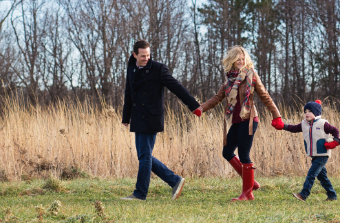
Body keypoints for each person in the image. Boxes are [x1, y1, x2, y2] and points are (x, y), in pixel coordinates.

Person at [198, 45, 284, 201]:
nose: (241, 61)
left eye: (243, 58)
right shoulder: (228, 80)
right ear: (232, 60)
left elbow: (265, 96)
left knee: (244, 154)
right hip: (236, 121)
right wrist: (201, 108)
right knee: (227, 152)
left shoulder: (252, 75)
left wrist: (276, 116)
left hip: (249, 120)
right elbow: (217, 99)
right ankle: (251, 183)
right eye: (238, 58)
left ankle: (248, 193)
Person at [121, 40, 203, 201]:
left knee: (144, 156)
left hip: (151, 117)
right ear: (134, 55)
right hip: (138, 117)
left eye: (148, 55)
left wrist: (194, 106)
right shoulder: (131, 68)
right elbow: (128, 94)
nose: (146, 58)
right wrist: (126, 116)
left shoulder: (158, 69)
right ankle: (175, 180)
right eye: (143, 56)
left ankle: (140, 194)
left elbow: (176, 87)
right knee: (145, 156)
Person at [281, 99, 340, 202]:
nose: (306, 114)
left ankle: (303, 194)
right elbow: (293, 128)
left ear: (316, 113)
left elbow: (335, 131)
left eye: (309, 111)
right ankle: (332, 195)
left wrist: (335, 141)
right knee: (322, 177)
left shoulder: (323, 123)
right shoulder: (304, 124)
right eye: (305, 112)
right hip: (314, 155)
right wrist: (282, 126)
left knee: (311, 174)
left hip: (322, 154)